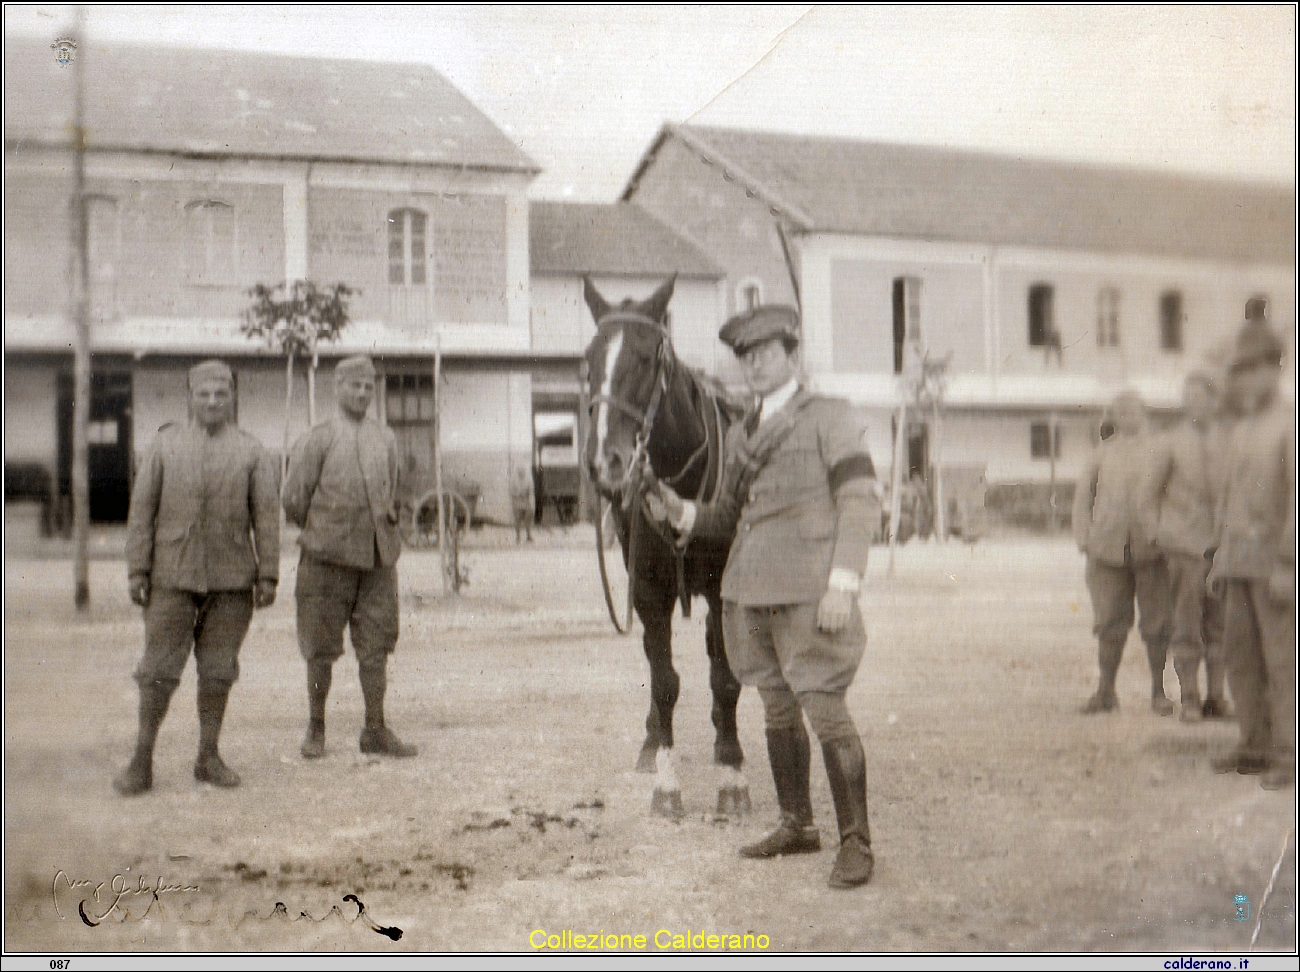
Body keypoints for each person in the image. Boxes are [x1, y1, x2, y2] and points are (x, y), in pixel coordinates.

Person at [646, 304, 879, 889]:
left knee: (824, 707)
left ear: (792, 356)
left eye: (765, 354)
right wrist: (679, 510)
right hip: (753, 592)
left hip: (810, 591)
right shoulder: (741, 432)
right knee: (776, 708)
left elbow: (859, 500)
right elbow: (726, 516)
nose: (753, 365)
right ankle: (796, 825)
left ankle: (856, 842)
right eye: (744, 357)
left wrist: (843, 584)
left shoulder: (830, 417)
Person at [114, 360, 280, 795]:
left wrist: (269, 574)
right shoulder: (164, 447)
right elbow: (141, 514)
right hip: (172, 575)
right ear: (188, 397)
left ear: (232, 399)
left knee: (218, 671)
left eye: (221, 394)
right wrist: (138, 569)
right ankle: (141, 760)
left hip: (231, 581)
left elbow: (266, 519)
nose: (212, 401)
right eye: (204, 393)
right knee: (157, 671)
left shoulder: (252, 452)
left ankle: (208, 756)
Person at [283, 355, 416, 760]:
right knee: (321, 647)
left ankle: (374, 729)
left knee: (376, 645)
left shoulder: (385, 439)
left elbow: (392, 489)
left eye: (368, 387)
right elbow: (292, 499)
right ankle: (316, 728)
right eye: (353, 386)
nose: (361, 393)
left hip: (377, 560)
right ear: (337, 387)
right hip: (326, 560)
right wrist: (328, 530)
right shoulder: (317, 438)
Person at [1209, 315, 1294, 789]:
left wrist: (1289, 562)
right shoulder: (1242, 429)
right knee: (1241, 658)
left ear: (1273, 368)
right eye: (1236, 370)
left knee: (1283, 660)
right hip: (1238, 562)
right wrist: (1219, 558)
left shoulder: (1289, 424)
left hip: (1275, 566)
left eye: (1249, 368)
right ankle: (1253, 743)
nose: (1241, 378)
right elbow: (1229, 497)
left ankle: (1290, 751)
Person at [1073, 390, 1174, 715]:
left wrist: (1169, 535)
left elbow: (1177, 496)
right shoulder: (1101, 454)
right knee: (1108, 623)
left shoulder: (1162, 451)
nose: (1128, 415)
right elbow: (1082, 499)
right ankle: (1106, 691)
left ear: (1144, 412)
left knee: (1157, 623)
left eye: (1133, 409)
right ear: (1113, 416)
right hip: (1107, 550)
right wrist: (1084, 538)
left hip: (1152, 550)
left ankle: (1158, 693)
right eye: (1120, 411)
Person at [1147, 371, 1232, 721]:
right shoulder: (1170, 442)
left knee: (1220, 624)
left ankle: (1216, 697)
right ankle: (1191, 699)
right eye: (1189, 397)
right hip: (1183, 548)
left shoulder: (1228, 440)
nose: (1194, 404)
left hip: (1223, 548)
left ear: (1214, 401)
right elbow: (1147, 495)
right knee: (1186, 625)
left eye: (1201, 397)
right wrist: (1160, 535)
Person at [510, 464, 535, 544]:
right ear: (517, 472)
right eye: (520, 471)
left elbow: (531, 490)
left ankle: (528, 536)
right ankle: (518, 537)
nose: (521, 473)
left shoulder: (528, 480)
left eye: (523, 471)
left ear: (524, 472)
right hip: (517, 502)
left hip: (526, 501)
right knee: (517, 519)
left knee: (528, 519)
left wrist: (527, 494)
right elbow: (511, 491)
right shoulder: (514, 481)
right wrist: (517, 493)